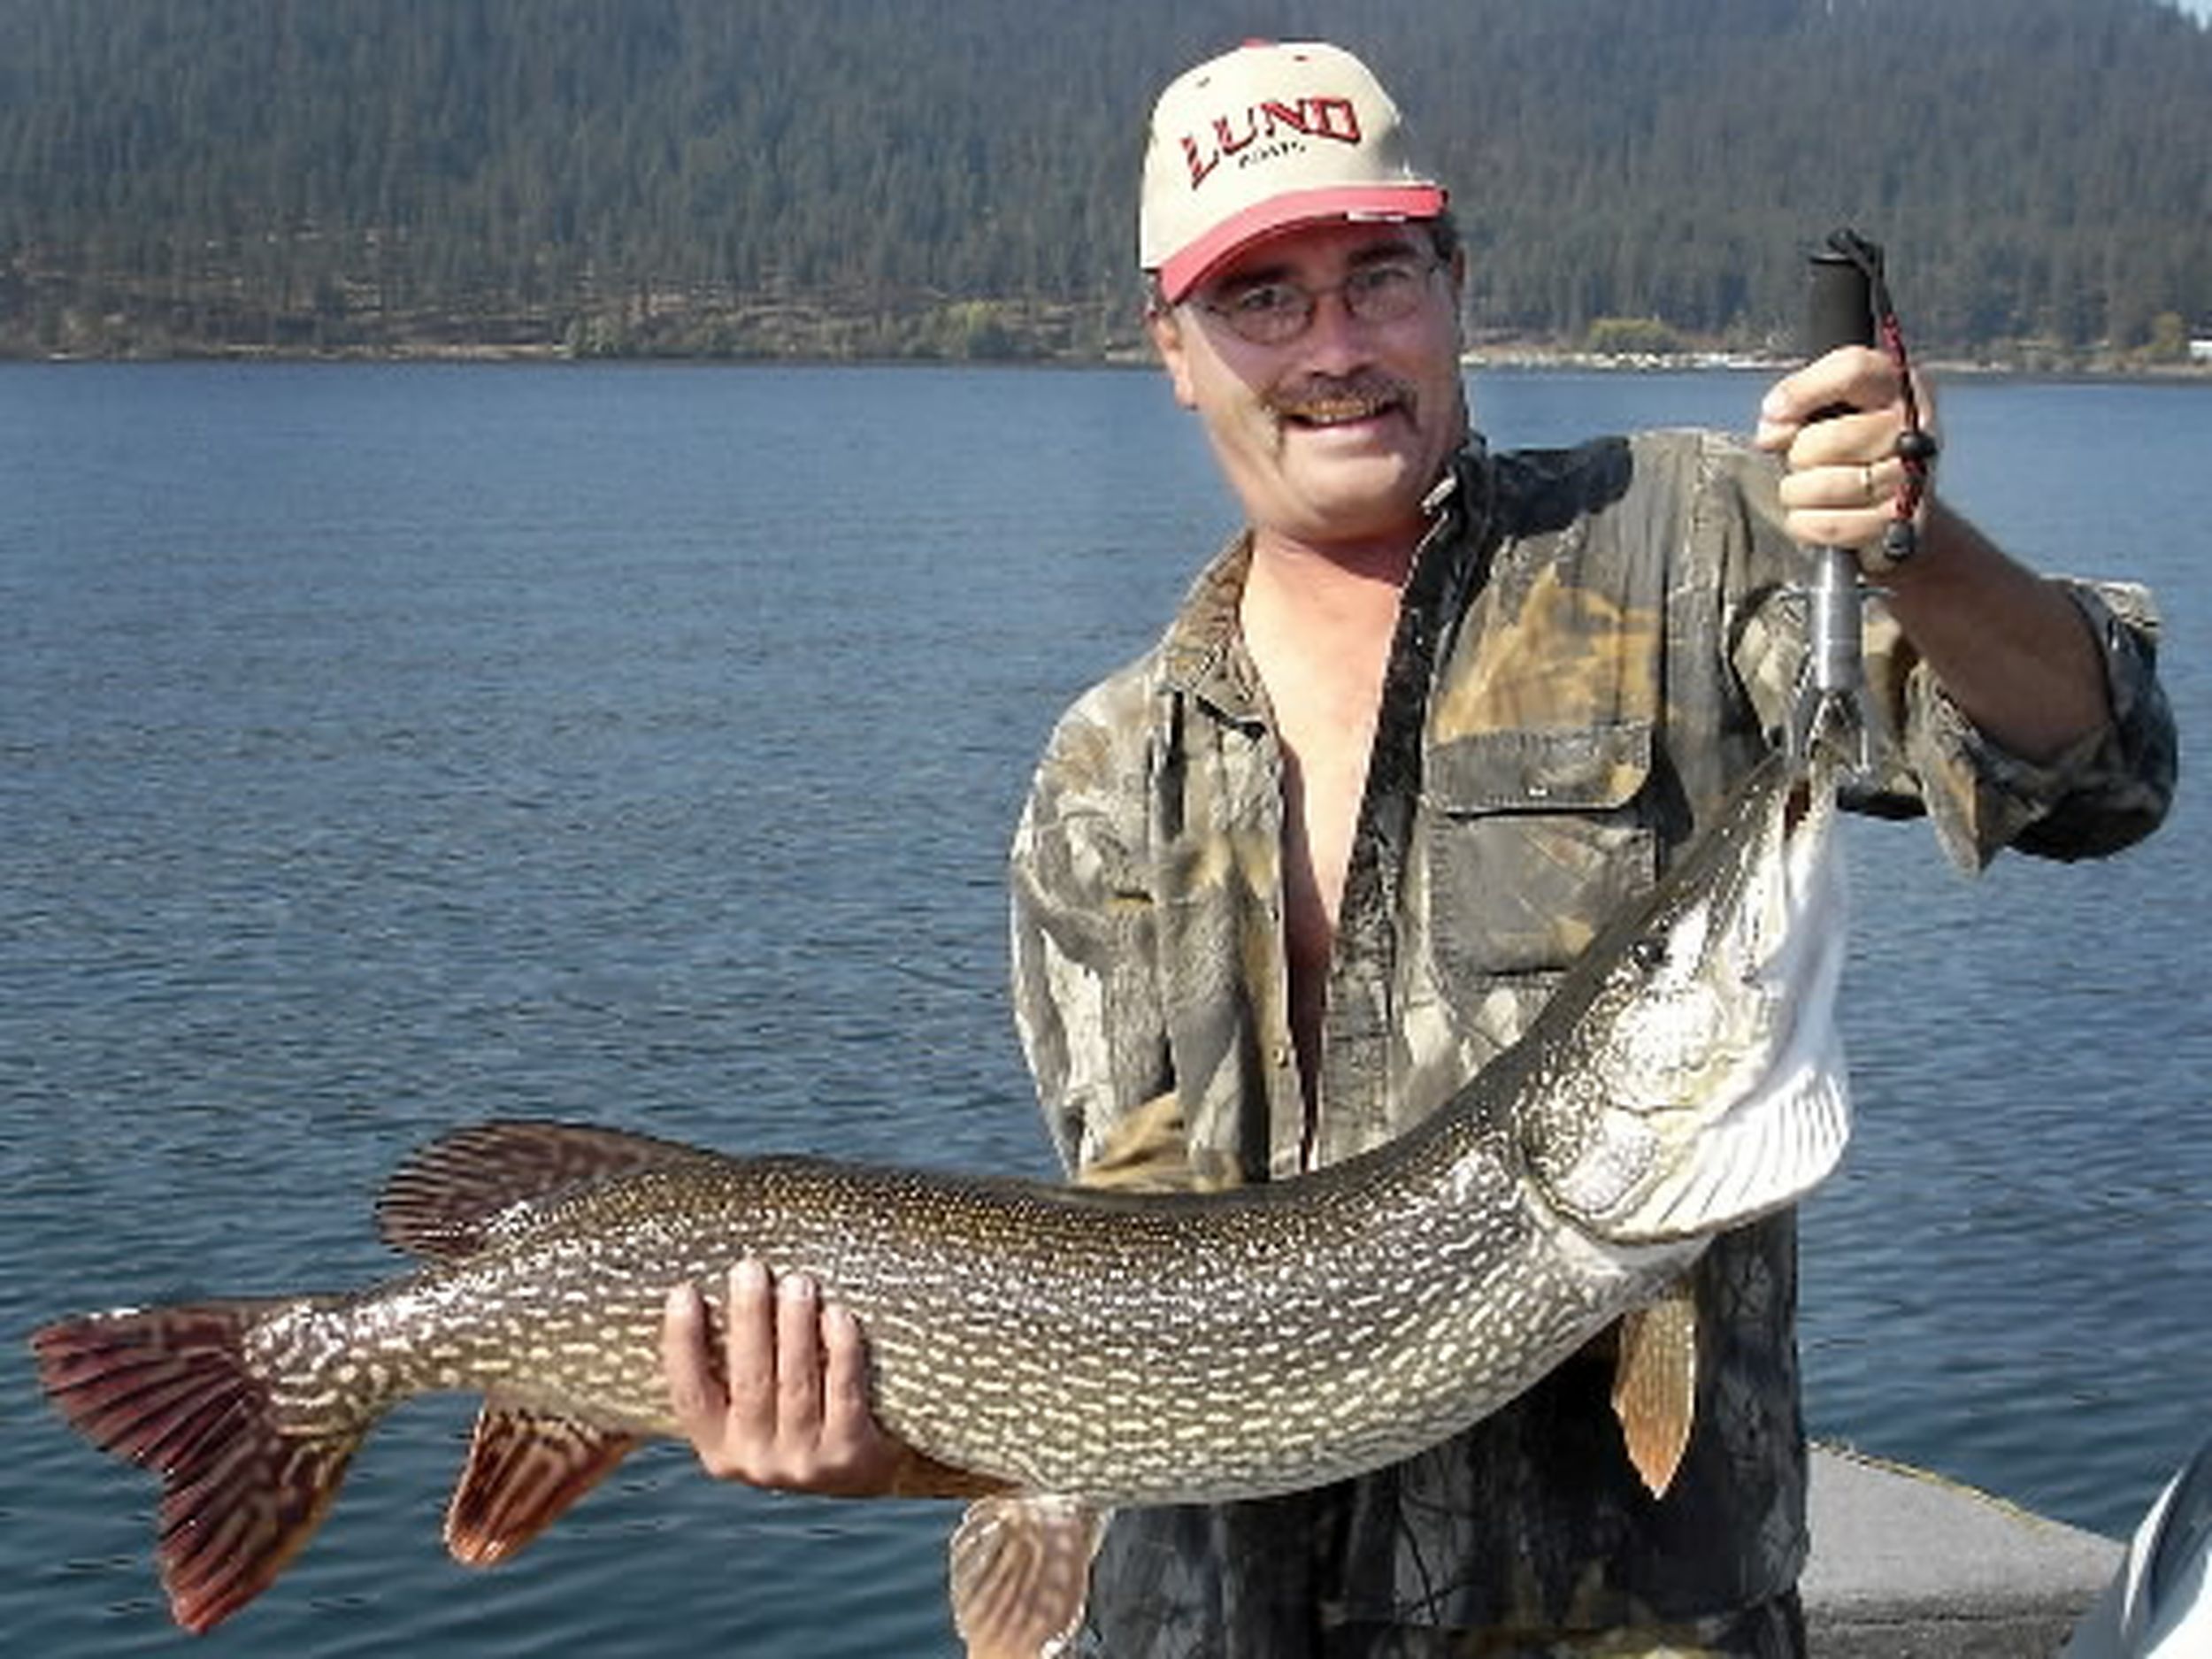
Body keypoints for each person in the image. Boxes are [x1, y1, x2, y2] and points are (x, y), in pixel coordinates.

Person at [659, 38, 2177, 1659]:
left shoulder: (1685, 545)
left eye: (1377, 274)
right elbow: (1110, 1268)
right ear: (1172, 347)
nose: (1335, 346)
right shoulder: (1108, 776)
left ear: (1452, 282)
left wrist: (1913, 550)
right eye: (1263, 299)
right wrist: (872, 1442)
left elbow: (2094, 767)